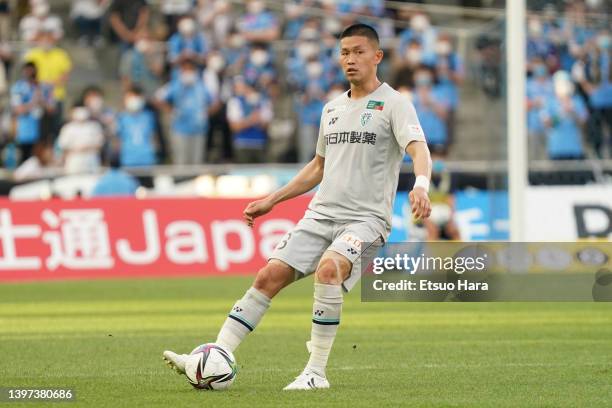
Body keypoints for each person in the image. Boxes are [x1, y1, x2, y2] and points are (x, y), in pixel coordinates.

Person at [163, 23, 432, 390]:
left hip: (365, 219)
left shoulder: (395, 104)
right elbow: (318, 166)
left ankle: (315, 373)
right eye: (344, 53)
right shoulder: (332, 109)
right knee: (267, 277)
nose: (350, 59)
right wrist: (272, 200)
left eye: (358, 51)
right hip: (320, 215)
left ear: (377, 56)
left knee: (329, 270)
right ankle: (215, 354)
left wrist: (421, 185)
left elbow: (419, 148)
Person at [155, 59, 213, 165]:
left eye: (190, 70)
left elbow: (216, 101)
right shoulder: (175, 85)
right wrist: (171, 110)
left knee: (197, 162)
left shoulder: (201, 86)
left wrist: (206, 113)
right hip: (180, 129)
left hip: (199, 129)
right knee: (181, 162)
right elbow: (158, 98)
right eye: (185, 70)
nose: (188, 72)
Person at [9, 62, 55, 163]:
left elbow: (51, 109)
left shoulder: (44, 87)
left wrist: (41, 99)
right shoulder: (18, 88)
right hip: (25, 129)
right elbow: (18, 109)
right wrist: (33, 101)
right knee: (25, 158)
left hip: (42, 128)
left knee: (40, 159)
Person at [115, 86, 157, 167]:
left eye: (135, 97)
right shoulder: (121, 117)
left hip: (147, 159)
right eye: (130, 97)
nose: (133, 100)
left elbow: (153, 137)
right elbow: (118, 140)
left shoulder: (149, 116)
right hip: (127, 160)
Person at [57, 105, 104, 174]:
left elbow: (100, 144)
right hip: (74, 161)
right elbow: (63, 146)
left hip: (91, 161)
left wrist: (87, 148)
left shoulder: (95, 126)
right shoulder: (67, 128)